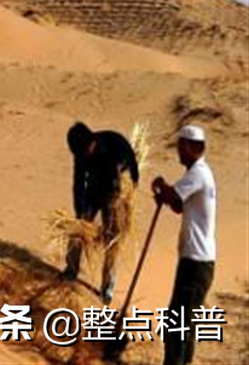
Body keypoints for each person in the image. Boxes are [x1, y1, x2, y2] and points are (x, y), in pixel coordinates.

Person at [152, 125, 216, 365]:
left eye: (181, 147)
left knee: (176, 322)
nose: (178, 153)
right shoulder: (198, 173)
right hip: (195, 260)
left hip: (196, 262)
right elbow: (179, 206)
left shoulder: (198, 173)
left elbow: (175, 197)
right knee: (183, 321)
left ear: (192, 148)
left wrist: (161, 185)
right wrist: (165, 194)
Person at [64, 120, 140, 304]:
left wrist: (124, 198)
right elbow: (78, 183)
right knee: (77, 231)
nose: (81, 156)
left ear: (91, 143)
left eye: (83, 152)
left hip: (115, 197)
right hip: (94, 191)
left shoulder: (117, 145)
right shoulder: (81, 153)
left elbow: (134, 174)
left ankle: (107, 289)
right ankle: (71, 269)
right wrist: (80, 212)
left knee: (112, 241)